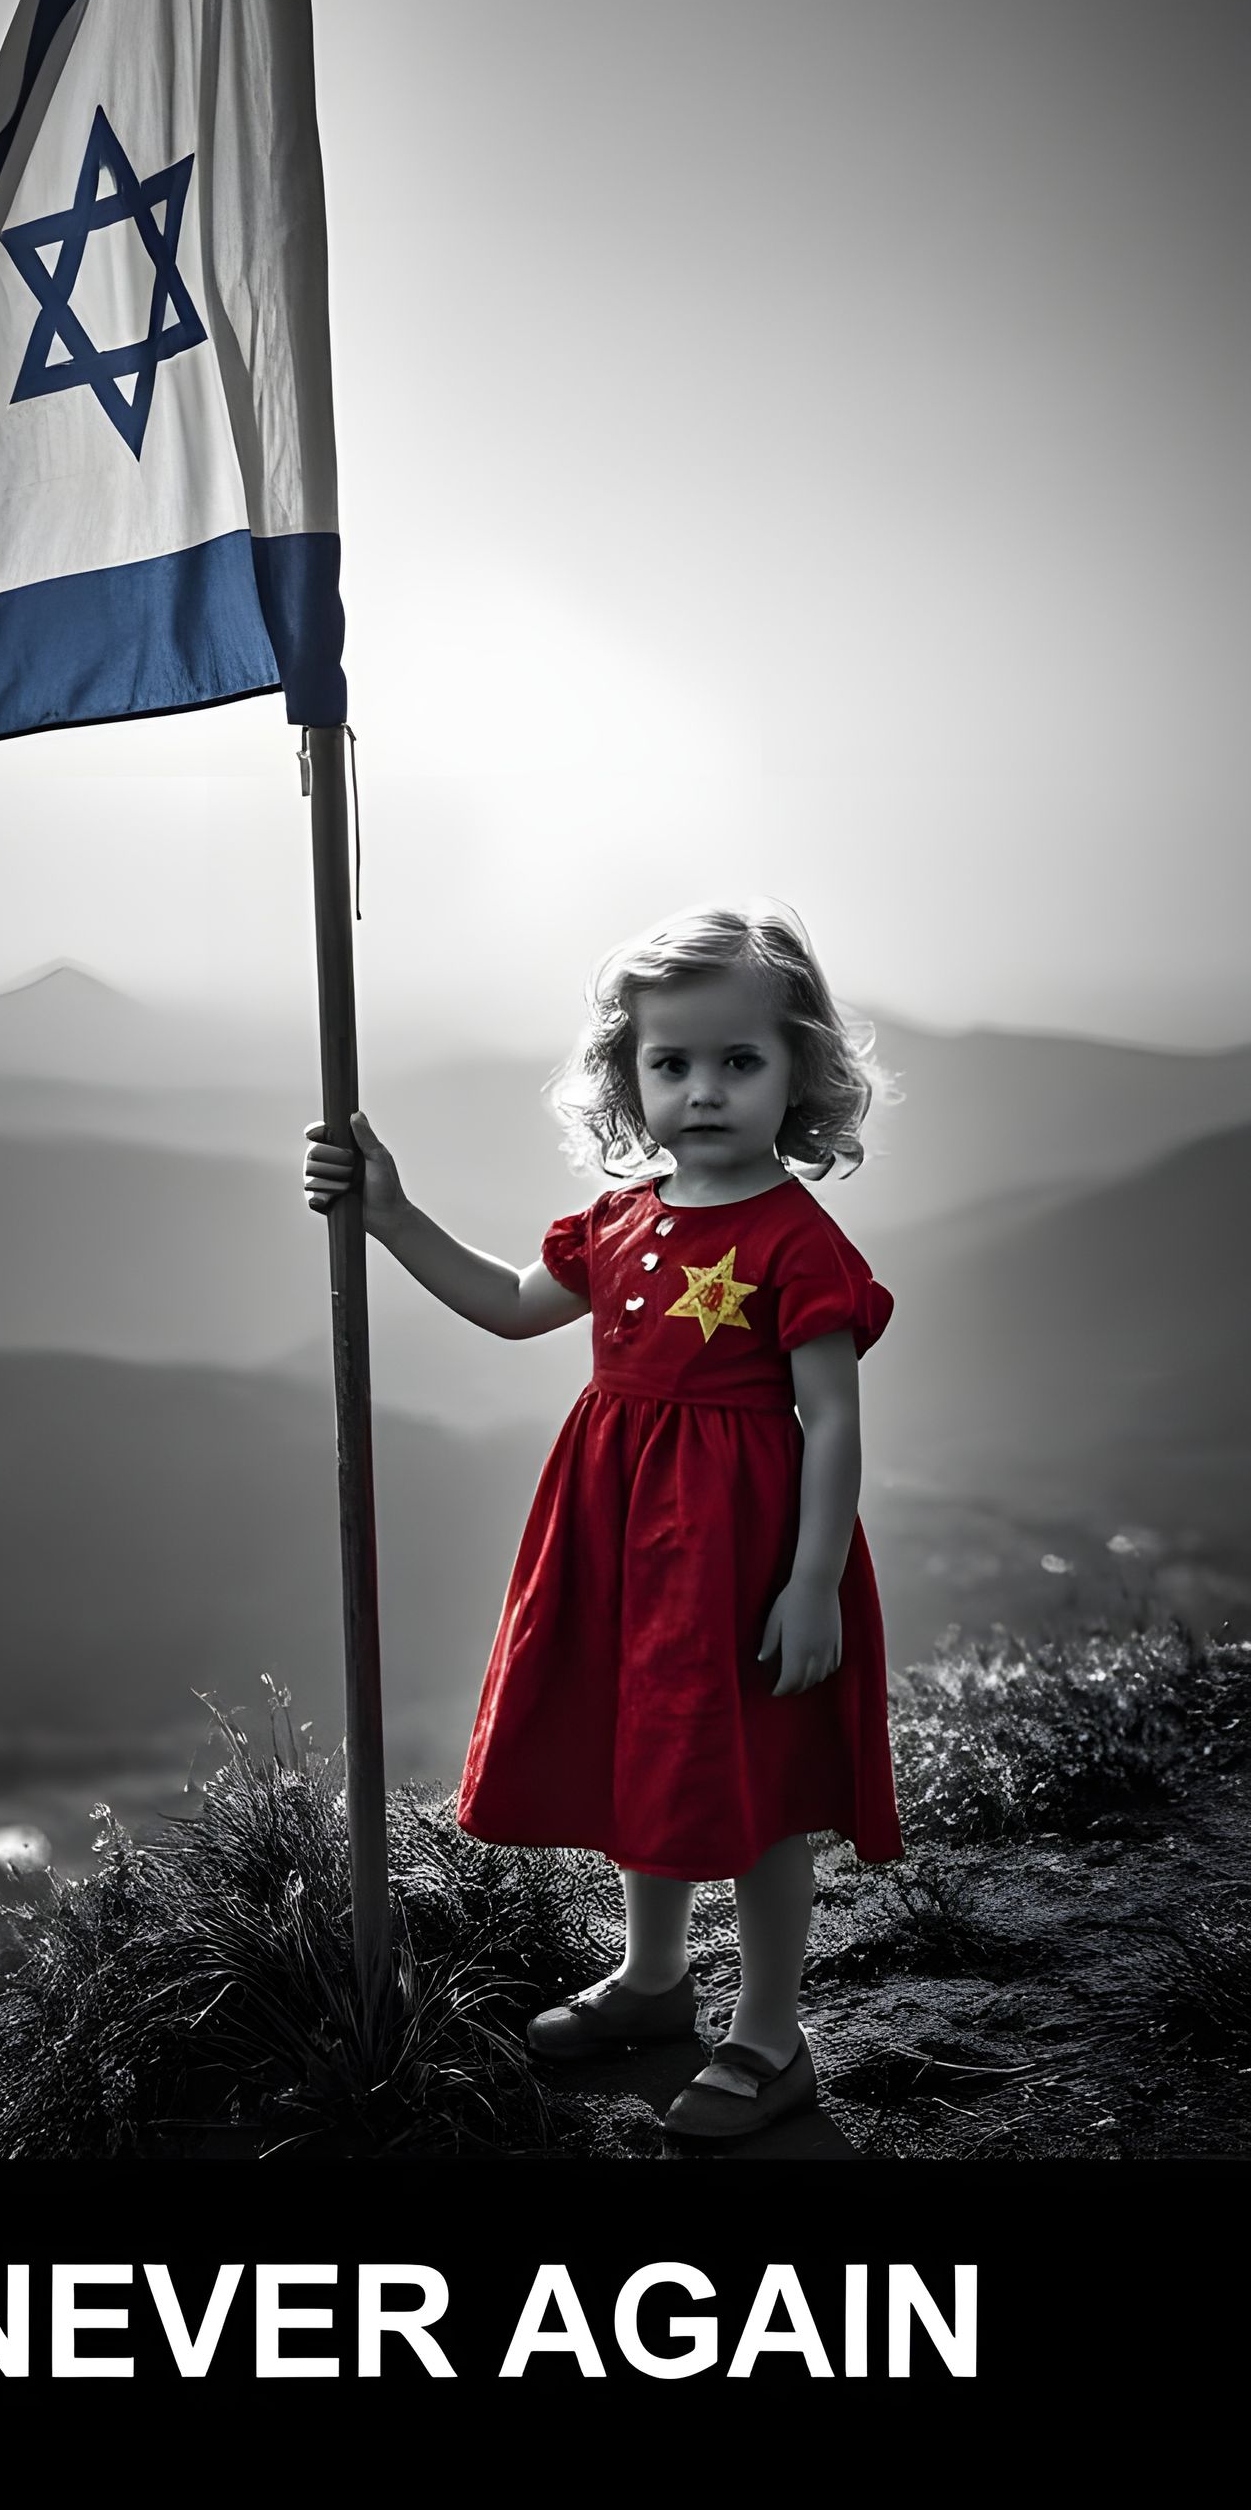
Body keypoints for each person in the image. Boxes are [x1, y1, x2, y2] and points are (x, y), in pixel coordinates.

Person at [302, 901, 902, 2143]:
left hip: (743, 1554)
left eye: (739, 1061)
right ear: (629, 1077)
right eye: (670, 1062)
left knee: (757, 1788)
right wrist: (390, 1216)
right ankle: (653, 1979)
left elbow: (832, 1420)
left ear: (798, 1072)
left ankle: (769, 2038)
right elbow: (511, 1304)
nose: (703, 1089)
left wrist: (808, 1585)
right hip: (621, 1539)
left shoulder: (795, 1241)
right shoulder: (620, 1218)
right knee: (649, 1750)